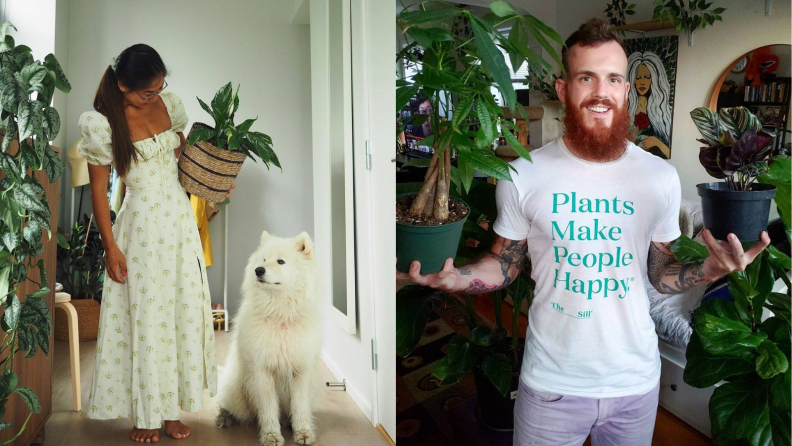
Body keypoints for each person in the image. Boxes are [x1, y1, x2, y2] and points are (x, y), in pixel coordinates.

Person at [397, 18, 770, 446]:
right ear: (563, 90)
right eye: (586, 77)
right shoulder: (522, 176)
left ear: (626, 91)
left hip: (635, 382)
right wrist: (454, 278)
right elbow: (504, 264)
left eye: (613, 78)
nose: (600, 92)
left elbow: (660, 270)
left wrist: (707, 270)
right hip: (552, 383)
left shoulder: (659, 178)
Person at [78, 44, 232, 443]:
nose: (156, 96)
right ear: (124, 85)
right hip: (141, 227)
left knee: (179, 313)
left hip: (180, 223)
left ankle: (171, 410)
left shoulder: (169, 105)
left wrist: (216, 171)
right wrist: (111, 247)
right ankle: (147, 413)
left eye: (161, 86)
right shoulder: (101, 124)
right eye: (148, 91)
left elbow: (183, 157)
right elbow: (99, 191)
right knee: (147, 318)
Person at [627, 50, 673, 159]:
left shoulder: (663, 111)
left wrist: (657, 142)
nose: (642, 82)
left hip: (654, 165)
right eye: (638, 78)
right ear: (633, 80)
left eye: (647, 77)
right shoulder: (626, 108)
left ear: (654, 79)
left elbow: (669, 153)